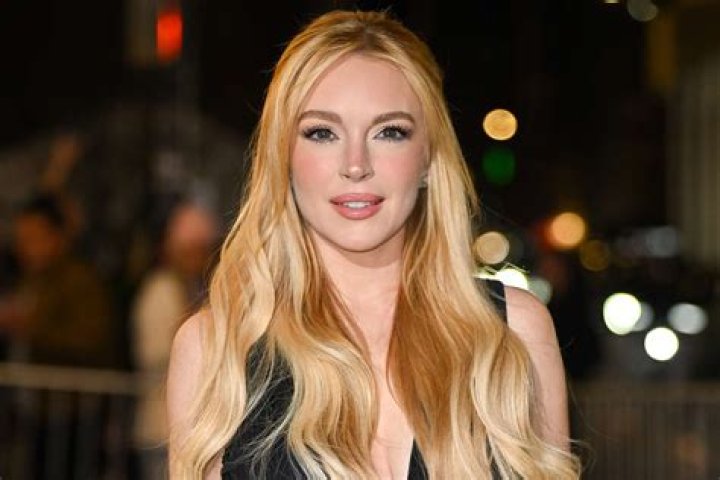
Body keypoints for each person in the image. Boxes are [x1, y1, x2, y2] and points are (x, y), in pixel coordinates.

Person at [167, 10, 581, 479]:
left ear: (428, 159)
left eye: (389, 132)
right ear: (283, 157)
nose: (356, 164)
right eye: (322, 132)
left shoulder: (513, 334)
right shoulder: (215, 350)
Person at [132, 201, 218, 478]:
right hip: (161, 427)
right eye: (190, 251)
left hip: (191, 427)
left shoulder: (196, 288)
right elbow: (152, 352)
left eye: (201, 251)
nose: (197, 259)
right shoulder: (161, 288)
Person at [0, 194, 114, 367]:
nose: (24, 248)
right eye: (21, 240)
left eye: (34, 238)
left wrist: (28, 328)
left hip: (71, 378)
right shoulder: (27, 278)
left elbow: (89, 340)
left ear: (58, 237)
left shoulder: (78, 280)